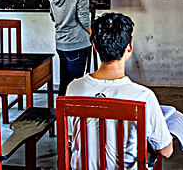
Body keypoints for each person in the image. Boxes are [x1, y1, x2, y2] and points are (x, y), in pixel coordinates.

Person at [66, 13, 174, 169]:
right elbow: (166, 150)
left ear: (95, 47)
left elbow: (70, 136)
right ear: (129, 47)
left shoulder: (74, 88)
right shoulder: (143, 96)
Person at [47, 0, 92, 96]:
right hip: (77, 43)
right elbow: (83, 16)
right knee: (76, 87)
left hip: (61, 43)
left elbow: (53, 16)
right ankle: (74, 117)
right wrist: (91, 33)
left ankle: (62, 117)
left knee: (64, 84)